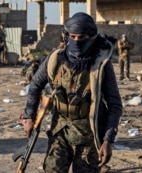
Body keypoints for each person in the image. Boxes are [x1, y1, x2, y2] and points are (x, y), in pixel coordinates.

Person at [21, 12, 122, 173]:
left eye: (81, 37)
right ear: (66, 36)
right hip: (60, 130)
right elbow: (35, 85)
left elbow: (115, 104)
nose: (76, 41)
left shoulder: (101, 65)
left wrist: (108, 140)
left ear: (91, 37)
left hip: (89, 134)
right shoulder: (55, 59)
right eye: (72, 36)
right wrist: (29, 116)